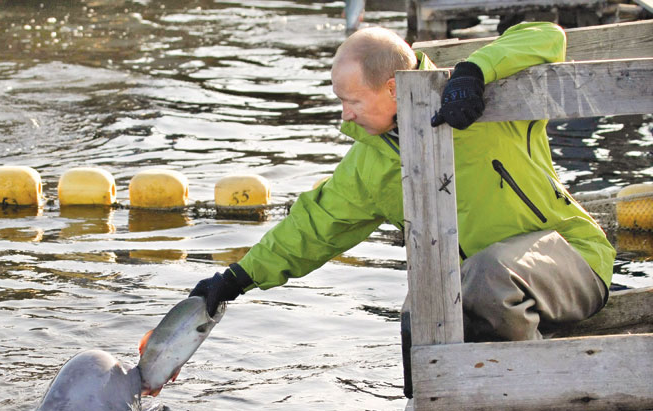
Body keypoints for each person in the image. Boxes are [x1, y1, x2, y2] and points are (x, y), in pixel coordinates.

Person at [191, 22, 615, 343]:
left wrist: (474, 71)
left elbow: (546, 36)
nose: (345, 115)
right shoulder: (370, 164)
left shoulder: (482, 98)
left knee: (487, 276)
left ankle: (534, 390)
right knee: (418, 310)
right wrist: (234, 280)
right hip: (483, 290)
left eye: (351, 100)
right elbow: (312, 227)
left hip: (571, 262)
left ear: (392, 89)